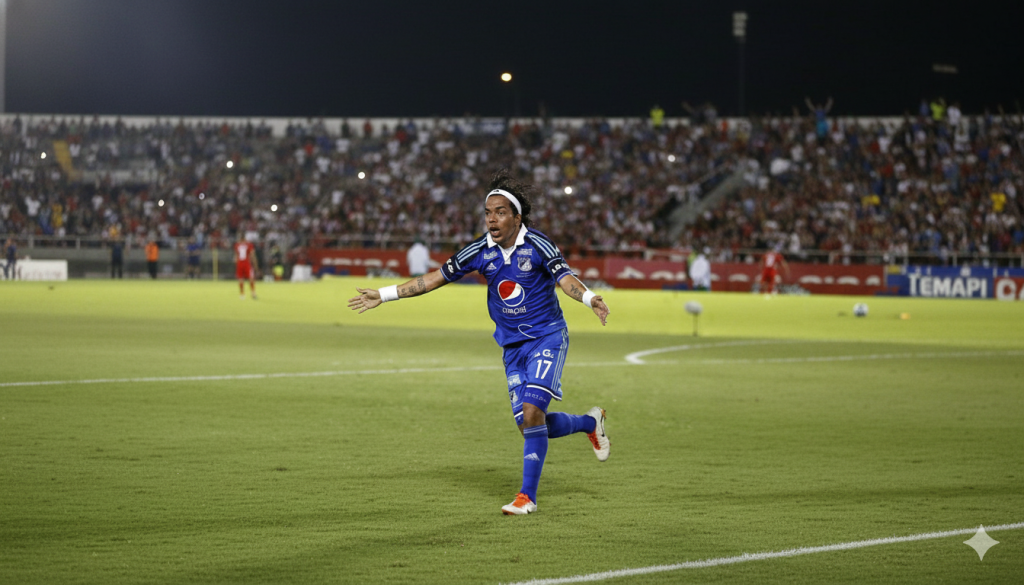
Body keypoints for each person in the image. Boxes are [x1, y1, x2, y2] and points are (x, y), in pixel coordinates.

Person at [348, 169, 611, 516]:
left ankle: (527, 497)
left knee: (532, 412)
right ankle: (590, 423)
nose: (492, 219)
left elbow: (565, 278)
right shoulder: (479, 250)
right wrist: (384, 295)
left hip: (546, 337)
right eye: (488, 213)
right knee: (529, 425)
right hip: (512, 347)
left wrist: (590, 298)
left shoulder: (538, 244)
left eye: (500, 212)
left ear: (517, 218)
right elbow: (434, 279)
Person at [234, 233, 258, 299]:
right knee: (251, 278)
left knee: (240, 278)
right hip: (247, 263)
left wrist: (236, 264)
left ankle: (242, 294)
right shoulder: (249, 245)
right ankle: (253, 293)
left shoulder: (237, 245)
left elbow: (236, 257)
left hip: (239, 263)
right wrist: (255, 264)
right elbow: (252, 255)